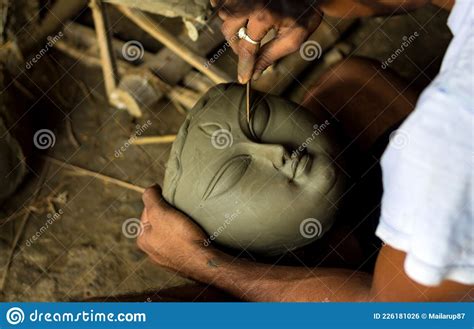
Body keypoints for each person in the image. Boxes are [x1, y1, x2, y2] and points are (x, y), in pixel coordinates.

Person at [136, 0, 473, 301]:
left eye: (261, 118)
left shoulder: (443, 154)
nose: (276, 153)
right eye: (236, 174)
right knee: (347, 86)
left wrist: (206, 265)